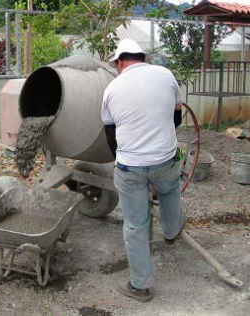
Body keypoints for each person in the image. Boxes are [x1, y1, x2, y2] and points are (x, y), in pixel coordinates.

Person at [101, 38, 184, 302]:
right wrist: (160, 143)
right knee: (170, 191)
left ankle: (140, 286)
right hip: (165, 161)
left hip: (131, 167)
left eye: (116, 64)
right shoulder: (166, 75)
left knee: (136, 225)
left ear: (122, 61)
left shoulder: (112, 88)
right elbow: (176, 117)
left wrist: (123, 161)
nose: (116, 68)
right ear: (142, 57)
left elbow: (110, 135)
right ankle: (172, 231)